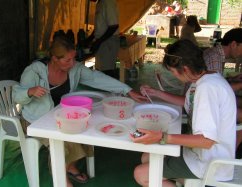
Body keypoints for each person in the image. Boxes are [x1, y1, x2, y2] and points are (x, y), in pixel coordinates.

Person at [13, 36, 146, 187]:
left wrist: (127, 90)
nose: (72, 63)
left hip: (62, 115)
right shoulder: (34, 71)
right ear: (55, 58)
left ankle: (69, 165)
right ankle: (61, 179)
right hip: (35, 119)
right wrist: (30, 91)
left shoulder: (74, 68)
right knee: (64, 141)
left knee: (86, 132)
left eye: (73, 58)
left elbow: (97, 78)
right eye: (67, 60)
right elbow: (17, 95)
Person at [131, 40, 236, 187]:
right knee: (147, 157)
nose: (174, 76)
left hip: (210, 163)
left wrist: (162, 137)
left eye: (173, 72)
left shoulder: (207, 88)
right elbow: (187, 102)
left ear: (185, 69)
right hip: (198, 153)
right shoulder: (205, 78)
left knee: (141, 174)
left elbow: (206, 141)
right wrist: (156, 93)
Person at [86, 0, 120, 78]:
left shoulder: (108, 2)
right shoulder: (99, 3)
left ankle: (113, 89)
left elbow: (114, 26)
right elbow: (100, 26)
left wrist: (98, 42)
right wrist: (90, 38)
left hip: (108, 41)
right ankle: (107, 89)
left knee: (107, 71)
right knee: (101, 70)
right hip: (102, 41)